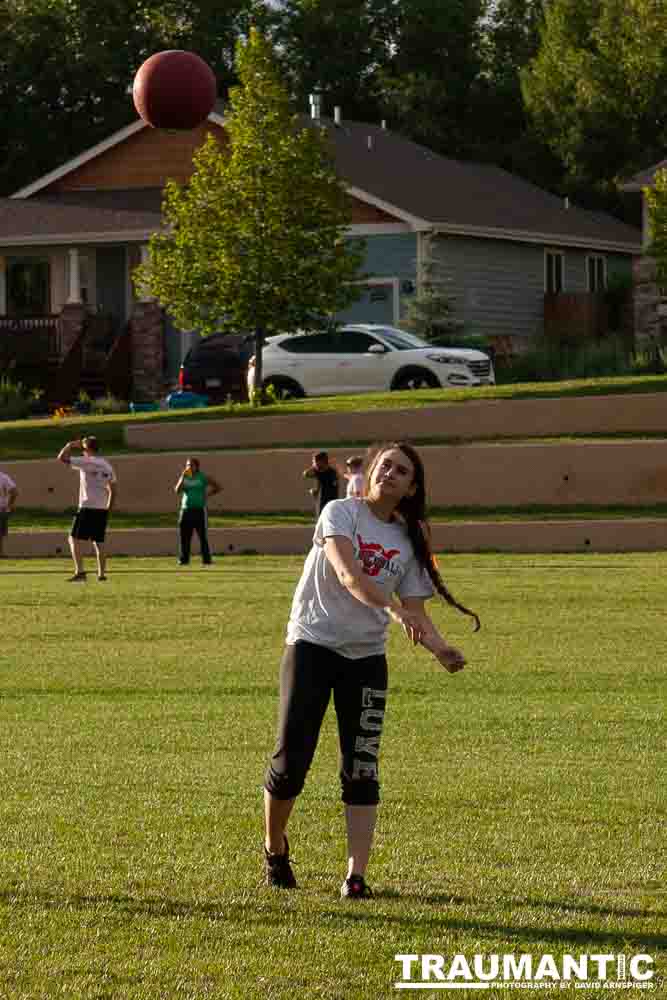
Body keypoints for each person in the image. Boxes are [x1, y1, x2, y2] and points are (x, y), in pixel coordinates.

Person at [263, 441, 480, 899]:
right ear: (371, 471)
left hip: (365, 659)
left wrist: (440, 648)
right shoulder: (341, 513)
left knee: (361, 766)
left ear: (412, 486)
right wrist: (394, 611)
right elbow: (347, 574)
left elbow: (417, 609)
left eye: (401, 471)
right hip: (311, 645)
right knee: (290, 763)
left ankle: (355, 876)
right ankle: (275, 847)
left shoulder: (408, 540)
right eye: (385, 466)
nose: (390, 474)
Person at [57, 436, 116, 581]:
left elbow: (61, 458)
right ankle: (101, 574)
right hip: (101, 508)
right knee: (99, 542)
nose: (82, 451)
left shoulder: (86, 461)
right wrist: (108, 509)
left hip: (87, 506)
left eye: (83, 448)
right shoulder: (107, 465)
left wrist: (70, 444)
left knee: (73, 539)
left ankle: (80, 572)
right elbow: (113, 490)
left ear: (88, 449)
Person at [174, 457, 221, 566]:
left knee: (203, 537)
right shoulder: (185, 477)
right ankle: (183, 560)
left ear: (197, 467)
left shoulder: (203, 477)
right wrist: (182, 477)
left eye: (191, 465)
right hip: (186, 511)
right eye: (187, 465)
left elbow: (217, 487)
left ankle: (207, 561)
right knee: (184, 537)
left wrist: (207, 495)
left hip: (199, 511)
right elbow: (177, 491)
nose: (188, 467)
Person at [303, 451, 339, 516]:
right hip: (321, 501)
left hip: (330, 501)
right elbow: (306, 474)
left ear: (321, 461)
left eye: (314, 461)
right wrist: (316, 491)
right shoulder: (318, 471)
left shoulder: (332, 472)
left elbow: (333, 484)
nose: (313, 463)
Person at [0, 469, 18, 558]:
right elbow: (14, 491)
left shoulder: (3, 477)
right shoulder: (3, 477)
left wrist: (8, 506)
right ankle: (1, 553)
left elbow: (14, 492)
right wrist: (9, 506)